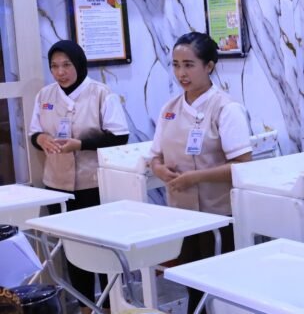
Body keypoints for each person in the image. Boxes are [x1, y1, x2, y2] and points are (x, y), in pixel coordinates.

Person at [149, 32, 251, 314]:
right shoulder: (169, 109)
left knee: (218, 289)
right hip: (182, 215)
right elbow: (154, 156)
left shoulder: (226, 108)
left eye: (189, 65)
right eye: (176, 65)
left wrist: (196, 177)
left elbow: (243, 164)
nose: (181, 73)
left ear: (209, 66)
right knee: (191, 284)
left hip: (217, 215)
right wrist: (158, 168)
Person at [29, 40, 129, 313]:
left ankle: (110, 306)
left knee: (102, 248)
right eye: (54, 66)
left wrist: (80, 144)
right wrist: (42, 139)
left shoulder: (100, 93)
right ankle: (85, 306)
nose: (60, 72)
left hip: (93, 184)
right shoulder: (45, 95)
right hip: (57, 185)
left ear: (79, 64)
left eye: (66, 65)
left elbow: (119, 136)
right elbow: (34, 133)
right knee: (72, 250)